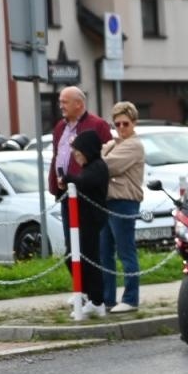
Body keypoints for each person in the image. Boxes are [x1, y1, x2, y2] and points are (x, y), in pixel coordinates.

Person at [48, 87, 113, 254]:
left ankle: (90, 279)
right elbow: (56, 155)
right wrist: (55, 182)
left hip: (86, 195)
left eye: (65, 102)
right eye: (60, 102)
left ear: (78, 104)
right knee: (71, 247)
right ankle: (79, 280)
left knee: (87, 247)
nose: (61, 106)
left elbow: (108, 156)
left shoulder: (97, 125)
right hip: (65, 193)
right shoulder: (60, 127)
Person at [99, 101, 144, 314]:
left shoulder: (133, 145)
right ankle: (107, 298)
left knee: (126, 251)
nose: (122, 128)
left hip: (124, 201)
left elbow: (107, 166)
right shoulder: (114, 143)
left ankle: (131, 298)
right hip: (108, 200)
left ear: (134, 123)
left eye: (125, 123)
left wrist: (99, 159)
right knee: (104, 251)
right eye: (117, 124)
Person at [68, 130, 110, 320]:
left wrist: (69, 179)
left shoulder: (98, 167)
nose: (76, 158)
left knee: (91, 260)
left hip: (92, 220)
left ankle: (97, 301)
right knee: (74, 256)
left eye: (78, 153)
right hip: (83, 220)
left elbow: (85, 182)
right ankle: (85, 293)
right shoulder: (88, 167)